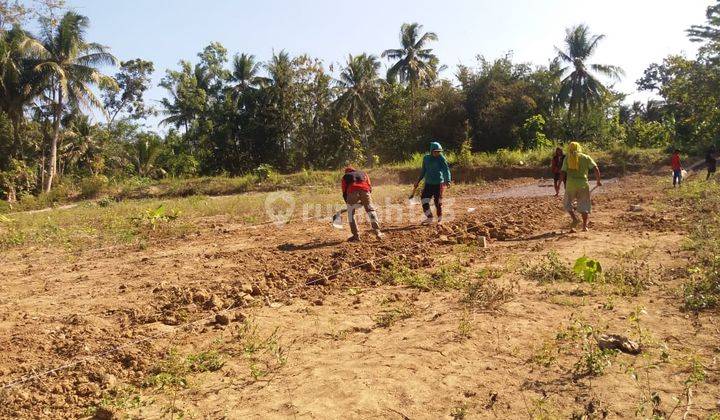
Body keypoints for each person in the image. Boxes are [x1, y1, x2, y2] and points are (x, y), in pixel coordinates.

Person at [561, 142, 601, 232]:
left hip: (570, 185)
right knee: (584, 205)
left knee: (567, 203)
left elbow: (563, 172)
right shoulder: (585, 157)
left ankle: (574, 219)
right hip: (583, 184)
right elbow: (596, 168)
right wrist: (598, 181)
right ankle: (584, 227)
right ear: (579, 148)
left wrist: (560, 183)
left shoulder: (567, 158)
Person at [413, 141, 452, 224]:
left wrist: (447, 180)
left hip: (438, 183)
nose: (437, 153)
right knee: (424, 199)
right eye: (436, 151)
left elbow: (446, 170)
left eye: (439, 152)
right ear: (431, 151)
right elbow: (423, 170)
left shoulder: (441, 158)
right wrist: (418, 180)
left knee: (437, 202)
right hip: (428, 183)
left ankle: (440, 218)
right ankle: (429, 217)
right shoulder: (426, 158)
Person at [341, 166, 382, 241]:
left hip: (352, 192)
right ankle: (378, 232)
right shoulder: (363, 173)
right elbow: (369, 187)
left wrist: (348, 203)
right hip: (365, 191)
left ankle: (356, 236)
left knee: (351, 214)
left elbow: (344, 191)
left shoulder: (345, 176)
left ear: (347, 172)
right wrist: (366, 200)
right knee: (371, 211)